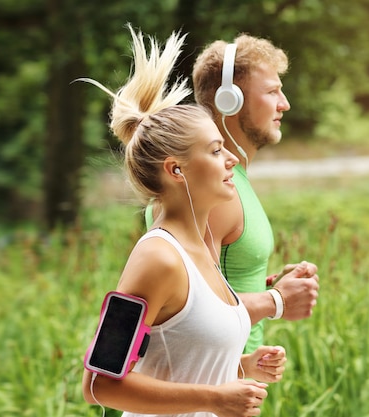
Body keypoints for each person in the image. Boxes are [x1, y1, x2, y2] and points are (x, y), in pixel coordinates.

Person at [79, 25, 286, 417]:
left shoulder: (204, 254)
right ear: (177, 170)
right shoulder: (157, 258)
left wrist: (242, 366)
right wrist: (215, 399)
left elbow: (178, 359)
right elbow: (99, 383)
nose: (230, 160)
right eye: (215, 150)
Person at [146, 34, 320, 353]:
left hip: (230, 383)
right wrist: (277, 301)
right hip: (211, 389)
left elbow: (215, 283)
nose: (285, 104)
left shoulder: (227, 179)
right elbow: (192, 307)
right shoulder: (212, 191)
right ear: (230, 100)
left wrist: (260, 281)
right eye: (271, 91)